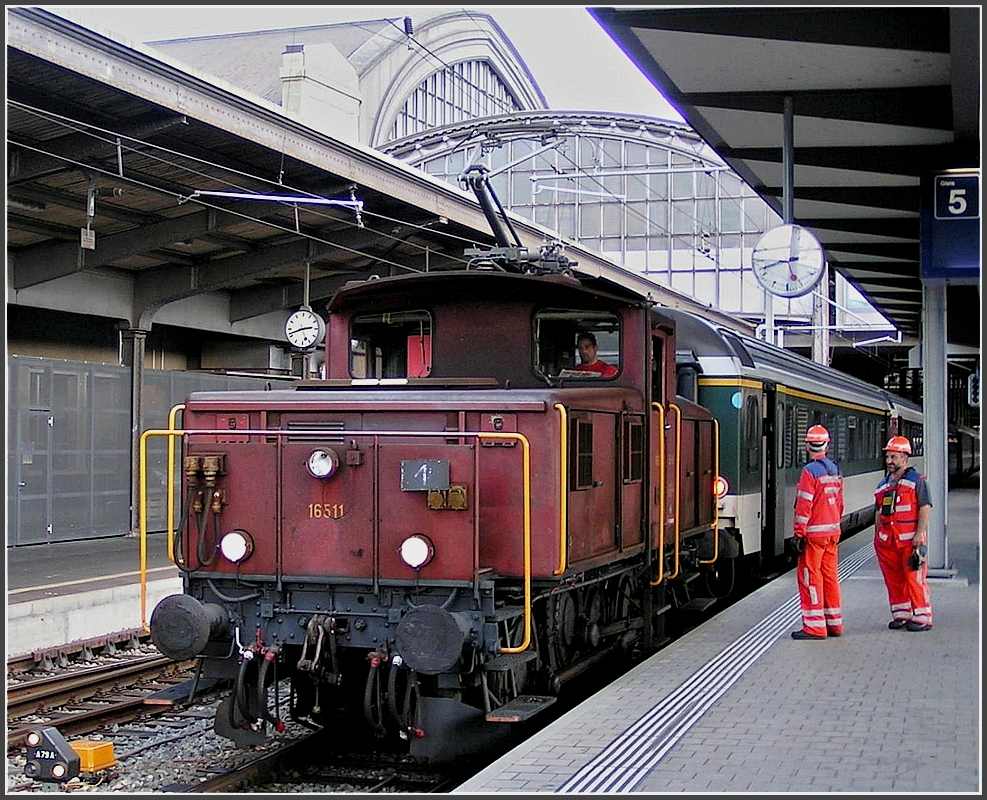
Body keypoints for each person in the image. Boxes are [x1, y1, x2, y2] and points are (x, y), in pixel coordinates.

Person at [790, 424, 845, 640]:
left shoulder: (809, 471)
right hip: (833, 532)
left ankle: (814, 627)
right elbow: (840, 504)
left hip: (814, 535)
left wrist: (798, 533)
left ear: (807, 445)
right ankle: (834, 624)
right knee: (830, 577)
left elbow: (804, 505)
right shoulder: (836, 470)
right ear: (827, 445)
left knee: (809, 577)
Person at [874, 435, 933, 632]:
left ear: (905, 458)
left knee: (914, 578)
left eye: (894, 457)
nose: (890, 461)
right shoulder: (883, 485)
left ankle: (923, 616)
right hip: (888, 542)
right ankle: (902, 614)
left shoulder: (917, 481)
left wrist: (919, 534)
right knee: (894, 579)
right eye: (888, 457)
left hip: (910, 542)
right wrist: (877, 538)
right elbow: (878, 512)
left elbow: (925, 507)